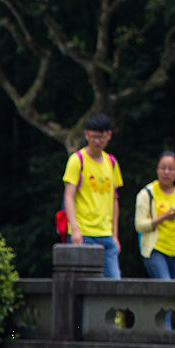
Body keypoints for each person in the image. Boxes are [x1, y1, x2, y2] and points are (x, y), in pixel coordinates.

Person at [61, 113, 124, 278]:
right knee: (84, 286)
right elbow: (68, 196)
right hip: (84, 233)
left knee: (114, 282)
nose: (97, 141)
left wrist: (115, 235)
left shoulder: (111, 162)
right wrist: (74, 229)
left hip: (106, 234)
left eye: (101, 137)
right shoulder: (77, 160)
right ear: (86, 134)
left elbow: (114, 200)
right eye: (94, 137)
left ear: (109, 135)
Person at [134, 151, 175, 279]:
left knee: (172, 293)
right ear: (157, 170)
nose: (166, 172)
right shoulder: (146, 193)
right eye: (163, 168)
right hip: (155, 249)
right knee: (165, 285)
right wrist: (164, 217)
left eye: (171, 169)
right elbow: (139, 226)